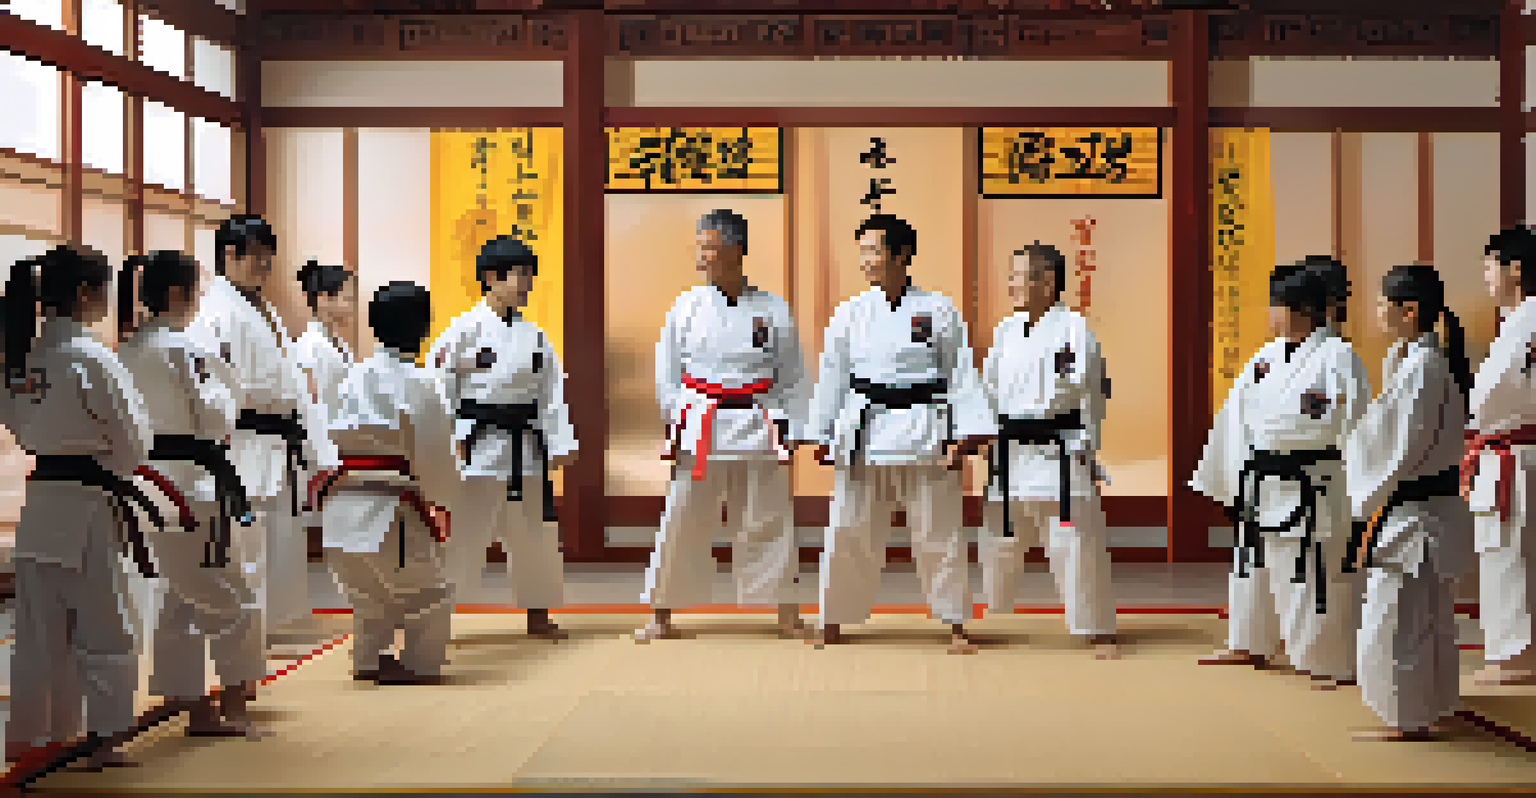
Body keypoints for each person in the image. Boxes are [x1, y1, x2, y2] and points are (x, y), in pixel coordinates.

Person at [806, 214, 997, 654]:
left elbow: (960, 373)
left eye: (873, 251)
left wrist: (965, 436)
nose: (865, 262)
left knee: (940, 532)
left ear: (902, 254)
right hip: (865, 433)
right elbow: (833, 376)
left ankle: (955, 623)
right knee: (849, 529)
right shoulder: (850, 313)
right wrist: (821, 433)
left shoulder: (939, 309)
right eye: (863, 252)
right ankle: (832, 618)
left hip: (924, 430)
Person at [4, 246, 156, 769]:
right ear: (88, 294)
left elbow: (19, 427)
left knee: (38, 632)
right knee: (105, 624)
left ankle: (33, 741)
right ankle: (105, 738)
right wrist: (113, 468)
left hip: (42, 501)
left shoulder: (19, 355)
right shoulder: (91, 358)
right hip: (89, 505)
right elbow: (134, 442)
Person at [1192, 257, 1369, 690]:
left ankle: (1326, 659)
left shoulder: (1338, 356)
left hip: (1312, 481)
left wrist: (1360, 489)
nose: (1269, 314)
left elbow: (1352, 424)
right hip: (1263, 479)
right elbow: (1234, 420)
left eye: (1275, 305)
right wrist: (1231, 478)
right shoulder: (1265, 358)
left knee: (1309, 572)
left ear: (1300, 310)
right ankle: (1249, 642)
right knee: (1252, 566)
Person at [637, 210, 810, 642]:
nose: (702, 256)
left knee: (769, 518)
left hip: (758, 420)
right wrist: (678, 419)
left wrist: (794, 426)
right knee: (682, 517)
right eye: (700, 246)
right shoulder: (686, 306)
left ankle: (786, 612)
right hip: (702, 424)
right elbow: (667, 374)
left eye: (709, 246)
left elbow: (792, 375)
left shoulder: (772, 308)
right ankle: (661, 613)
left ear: (737, 249)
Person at [117, 250, 267, 738]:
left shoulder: (127, 351)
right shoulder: (183, 350)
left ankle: (193, 703)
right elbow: (216, 419)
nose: (200, 302)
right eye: (197, 293)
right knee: (228, 593)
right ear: (179, 294)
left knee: (178, 597)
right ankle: (236, 703)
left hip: (148, 481)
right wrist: (226, 384)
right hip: (193, 485)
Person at [307, 282, 462, 685]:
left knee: (367, 594)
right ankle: (419, 664)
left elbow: (322, 437)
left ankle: (369, 659)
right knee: (429, 592)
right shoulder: (421, 381)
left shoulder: (351, 375)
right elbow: (433, 451)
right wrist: (444, 497)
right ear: (424, 326)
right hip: (390, 503)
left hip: (341, 501)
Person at [1346, 263, 1474, 741]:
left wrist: (1364, 500)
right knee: (1424, 615)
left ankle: (1408, 720)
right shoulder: (1416, 360)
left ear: (1409, 310)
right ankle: (1432, 706)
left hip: (1417, 515)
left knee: (1397, 618)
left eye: (1383, 303)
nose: (1377, 312)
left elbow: (1405, 448)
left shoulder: (1424, 366)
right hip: (1421, 510)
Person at [188, 215, 330, 643]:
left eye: (268, 259)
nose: (264, 268)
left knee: (279, 543)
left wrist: (317, 450)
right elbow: (208, 385)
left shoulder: (264, 310)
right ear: (229, 254)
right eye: (258, 258)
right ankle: (245, 638)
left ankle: (268, 629)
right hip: (244, 442)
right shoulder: (211, 313)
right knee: (248, 545)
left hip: (278, 438)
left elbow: (295, 389)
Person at [429, 236, 577, 639]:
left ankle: (537, 613)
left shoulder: (536, 336)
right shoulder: (461, 330)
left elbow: (551, 392)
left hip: (525, 447)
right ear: (492, 278)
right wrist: (450, 439)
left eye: (530, 275)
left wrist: (560, 442)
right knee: (463, 535)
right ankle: (436, 615)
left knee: (534, 533)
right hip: (477, 446)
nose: (527, 284)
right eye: (520, 275)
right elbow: (439, 388)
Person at [978, 243, 1118, 658]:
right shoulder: (1005, 330)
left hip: (1060, 449)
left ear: (1048, 281)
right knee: (999, 537)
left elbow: (1091, 393)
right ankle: (995, 616)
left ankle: (1096, 628)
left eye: (1019, 276)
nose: (1012, 285)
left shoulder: (1074, 329)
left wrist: (1088, 447)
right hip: (1012, 451)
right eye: (1011, 276)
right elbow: (988, 390)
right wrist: (983, 436)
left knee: (1074, 542)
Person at [1465, 225, 1536, 686]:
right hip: (1502, 452)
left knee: (1513, 555)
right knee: (1502, 553)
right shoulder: (1515, 323)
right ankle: (1510, 649)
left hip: (1518, 453)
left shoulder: (1530, 322)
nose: (1486, 276)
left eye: (1490, 266)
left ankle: (1518, 653)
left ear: (1515, 269)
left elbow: (1501, 396)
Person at [293, 260, 357, 562]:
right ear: (323, 299)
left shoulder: (340, 345)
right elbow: (310, 405)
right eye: (346, 296)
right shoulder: (308, 348)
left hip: (342, 440)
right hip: (322, 444)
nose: (351, 305)